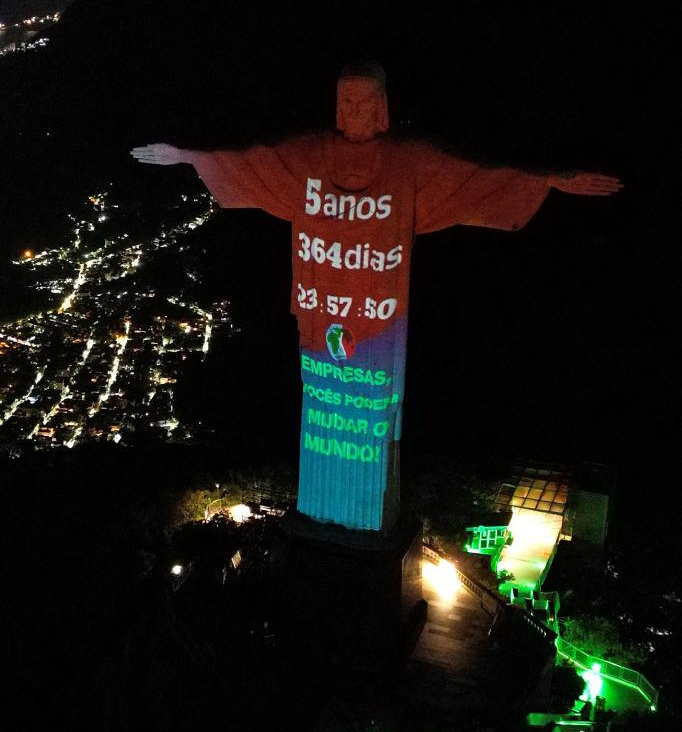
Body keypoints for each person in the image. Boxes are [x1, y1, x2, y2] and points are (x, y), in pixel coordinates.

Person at [131, 61, 621, 532]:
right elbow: (255, 162)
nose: (352, 112)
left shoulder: (408, 161)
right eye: (344, 102)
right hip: (322, 332)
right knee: (320, 413)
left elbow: (475, 177)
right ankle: (322, 516)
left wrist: (549, 180)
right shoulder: (310, 156)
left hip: (378, 334)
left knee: (376, 428)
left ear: (382, 108)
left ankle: (366, 519)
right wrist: (189, 157)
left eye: (363, 103)